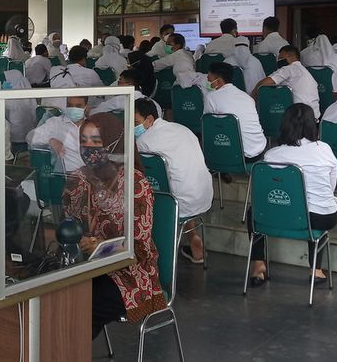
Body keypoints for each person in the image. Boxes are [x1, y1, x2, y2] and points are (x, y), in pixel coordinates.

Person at [62, 113, 166, 338]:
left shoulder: (134, 184)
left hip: (128, 276)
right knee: (56, 295)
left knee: (80, 306)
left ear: (113, 142)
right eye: (84, 141)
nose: (88, 148)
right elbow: (67, 223)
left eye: (96, 142)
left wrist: (100, 245)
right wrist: (77, 238)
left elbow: (139, 248)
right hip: (85, 266)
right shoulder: (79, 179)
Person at [246, 103, 337, 285]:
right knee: (318, 205)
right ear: (313, 124)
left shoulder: (272, 155)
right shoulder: (324, 150)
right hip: (320, 218)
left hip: (279, 216)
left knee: (253, 213)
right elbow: (330, 187)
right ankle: (316, 269)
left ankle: (258, 265)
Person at [134, 98, 212, 263]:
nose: (132, 127)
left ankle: (146, 254)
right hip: (202, 196)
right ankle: (193, 239)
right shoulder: (182, 129)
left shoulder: (144, 141)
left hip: (174, 204)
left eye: (135, 122)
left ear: (149, 120)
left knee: (137, 192)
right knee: (175, 184)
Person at [204, 62, 267, 161]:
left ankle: (217, 168)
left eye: (209, 77)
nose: (207, 80)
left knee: (212, 130)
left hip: (238, 154)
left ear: (218, 80)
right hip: (259, 150)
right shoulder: (247, 97)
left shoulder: (211, 97)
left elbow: (207, 125)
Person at [252, 45, 320, 120]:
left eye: (281, 58)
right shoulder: (304, 71)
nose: (278, 61)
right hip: (313, 118)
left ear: (292, 57)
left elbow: (263, 84)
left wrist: (252, 96)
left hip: (299, 118)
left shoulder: (289, 69)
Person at [28, 95, 89, 173]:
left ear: (86, 108)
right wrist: (51, 140)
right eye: (70, 105)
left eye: (78, 106)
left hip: (91, 174)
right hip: (67, 175)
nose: (73, 109)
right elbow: (30, 136)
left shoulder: (93, 126)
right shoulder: (56, 123)